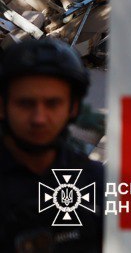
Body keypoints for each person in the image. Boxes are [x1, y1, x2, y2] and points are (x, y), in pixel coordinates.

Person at [0, 37, 102, 252]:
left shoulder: (96, 181)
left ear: (73, 108)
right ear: (2, 107)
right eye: (25, 103)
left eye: (53, 104)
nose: (39, 118)